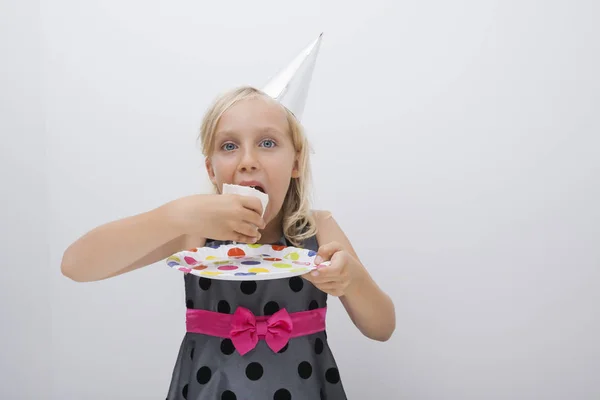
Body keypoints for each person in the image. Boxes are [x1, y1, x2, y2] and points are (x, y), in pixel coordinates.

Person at [61, 34, 395, 400]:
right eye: (229, 146)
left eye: (267, 143)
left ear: (296, 161)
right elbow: (76, 265)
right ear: (211, 169)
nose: (248, 160)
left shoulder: (318, 230)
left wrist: (351, 279)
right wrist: (175, 216)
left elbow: (382, 327)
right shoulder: (194, 234)